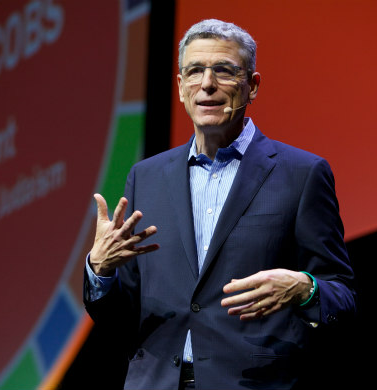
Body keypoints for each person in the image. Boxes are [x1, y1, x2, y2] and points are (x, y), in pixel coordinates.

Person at [83, 18, 356, 389]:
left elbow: (341, 295)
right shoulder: (146, 177)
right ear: (180, 87)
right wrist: (100, 271)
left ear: (252, 86)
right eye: (194, 71)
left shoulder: (301, 173)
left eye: (224, 71)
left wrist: (304, 287)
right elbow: (122, 316)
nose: (207, 84)